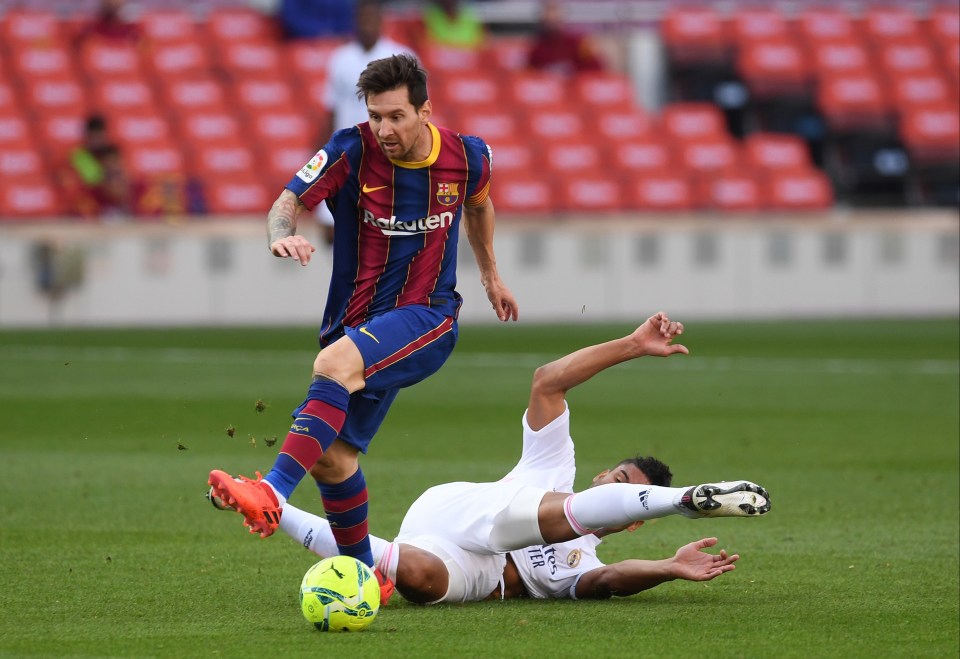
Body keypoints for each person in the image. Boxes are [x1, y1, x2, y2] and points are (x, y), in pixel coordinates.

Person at [208, 54, 520, 603]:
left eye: (397, 116)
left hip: (427, 314)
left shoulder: (470, 157)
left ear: (426, 111)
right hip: (353, 321)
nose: (385, 129)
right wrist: (281, 234)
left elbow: (480, 205)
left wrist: (492, 276)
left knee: (332, 368)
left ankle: (271, 491)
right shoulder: (350, 150)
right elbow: (287, 202)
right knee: (332, 457)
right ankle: (362, 576)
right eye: (376, 116)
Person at [210, 312, 770, 603]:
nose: (612, 489)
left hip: (467, 565)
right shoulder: (555, 466)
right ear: (605, 479)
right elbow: (547, 382)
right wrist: (630, 345)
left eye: (624, 497)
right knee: (528, 520)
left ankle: (272, 508)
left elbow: (610, 581)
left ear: (631, 523)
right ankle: (685, 501)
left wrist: (669, 568)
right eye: (616, 480)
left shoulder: (584, 566)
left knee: (422, 581)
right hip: (460, 510)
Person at [314, 0, 416, 245]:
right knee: (334, 233)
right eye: (362, 18)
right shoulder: (341, 58)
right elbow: (331, 109)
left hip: (386, 156)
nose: (366, 24)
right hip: (347, 156)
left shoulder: (401, 58)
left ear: (382, 20)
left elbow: (416, 113)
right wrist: (320, 154)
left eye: (371, 18)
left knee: (384, 233)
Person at [527, 0, 605, 75]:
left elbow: (597, 72)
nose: (551, 16)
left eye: (555, 10)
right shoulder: (537, 50)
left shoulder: (579, 44)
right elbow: (531, 77)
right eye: (548, 11)